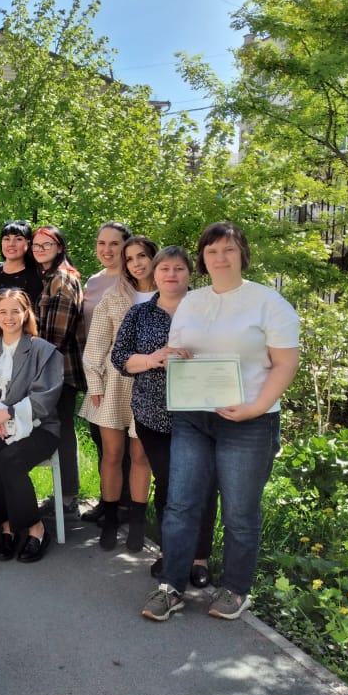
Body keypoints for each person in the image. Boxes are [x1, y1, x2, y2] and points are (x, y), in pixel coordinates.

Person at [143, 223, 299, 622]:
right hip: (193, 418)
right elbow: (180, 352)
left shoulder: (268, 303)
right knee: (180, 504)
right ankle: (171, 586)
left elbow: (285, 364)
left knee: (239, 511)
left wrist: (256, 407)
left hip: (249, 421)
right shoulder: (192, 302)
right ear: (202, 258)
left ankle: (235, 589)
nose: (220, 257)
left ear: (242, 253)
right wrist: (172, 358)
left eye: (228, 249)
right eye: (212, 251)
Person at [111, 246, 218, 586]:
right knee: (170, 484)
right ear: (154, 274)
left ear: (190, 273)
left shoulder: (208, 309)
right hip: (154, 415)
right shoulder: (139, 314)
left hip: (203, 413)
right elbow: (119, 358)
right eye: (164, 269)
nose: (171, 275)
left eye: (178, 269)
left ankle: (199, 559)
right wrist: (152, 359)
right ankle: (173, 553)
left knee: (203, 485)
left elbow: (228, 354)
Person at [81, 236, 159, 551]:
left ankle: (137, 523)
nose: (136, 263)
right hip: (114, 384)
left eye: (142, 256)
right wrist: (95, 384)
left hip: (154, 386)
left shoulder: (171, 295)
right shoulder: (114, 297)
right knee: (112, 454)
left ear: (154, 257)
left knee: (140, 455)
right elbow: (95, 346)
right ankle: (111, 518)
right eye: (129, 258)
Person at [0, 289, 63, 564]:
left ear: (26, 314)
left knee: (9, 460)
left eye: (15, 311)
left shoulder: (43, 350)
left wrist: (9, 414)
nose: (9, 317)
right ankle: (7, 528)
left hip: (40, 428)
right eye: (3, 311)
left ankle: (36, 529)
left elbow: (45, 399)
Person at [78, 221, 132, 524]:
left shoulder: (134, 280)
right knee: (101, 438)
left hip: (125, 373)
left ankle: (126, 504)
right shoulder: (93, 281)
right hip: (95, 369)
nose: (107, 249)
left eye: (114, 243)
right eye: (102, 243)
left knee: (125, 443)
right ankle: (107, 500)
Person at [31, 225, 86, 520]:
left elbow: (56, 336)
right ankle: (65, 494)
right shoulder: (50, 277)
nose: (40, 250)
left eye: (46, 245)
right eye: (36, 245)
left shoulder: (62, 279)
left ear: (60, 247)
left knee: (62, 431)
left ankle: (67, 499)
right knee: (62, 430)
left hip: (59, 370)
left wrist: (36, 368)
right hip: (56, 369)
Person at [0, 220, 42, 306]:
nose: (11, 244)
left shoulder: (36, 274)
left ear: (28, 243)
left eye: (18, 239)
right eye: (7, 239)